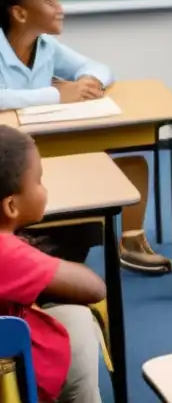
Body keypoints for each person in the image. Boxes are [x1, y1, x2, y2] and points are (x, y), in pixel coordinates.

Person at [0, 0, 169, 275]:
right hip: (12, 162)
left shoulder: (45, 46)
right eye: (50, 1)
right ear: (20, 13)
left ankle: (131, 244)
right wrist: (57, 94)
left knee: (133, 165)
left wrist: (89, 83)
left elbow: (99, 68)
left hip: (48, 146)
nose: (60, 7)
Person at [0, 125, 107, 403]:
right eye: (39, 180)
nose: (44, 188)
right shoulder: (8, 253)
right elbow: (94, 288)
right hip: (13, 378)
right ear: (11, 206)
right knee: (80, 321)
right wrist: (41, 267)